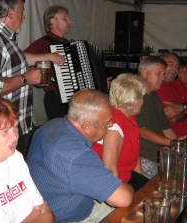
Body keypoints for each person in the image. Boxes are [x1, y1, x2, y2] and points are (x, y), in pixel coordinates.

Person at [0, 0, 64, 156]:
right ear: (9, 12)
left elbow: (17, 58)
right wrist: (26, 78)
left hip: (7, 126)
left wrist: (48, 57)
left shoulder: (2, 37)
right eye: (22, 11)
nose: (23, 17)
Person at [27, 89, 134, 223]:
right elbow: (124, 198)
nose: (111, 125)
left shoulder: (51, 125)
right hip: (71, 217)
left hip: (46, 204)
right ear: (87, 126)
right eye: (107, 122)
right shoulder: (77, 157)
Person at [0, 94, 55, 223]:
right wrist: (46, 219)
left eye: (15, 127)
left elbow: (39, 205)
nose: (15, 137)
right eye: (5, 131)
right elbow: (43, 213)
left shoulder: (14, 156)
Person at [92, 73, 149, 192]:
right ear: (134, 103)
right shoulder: (114, 126)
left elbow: (135, 154)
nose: (143, 101)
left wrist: (142, 182)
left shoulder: (130, 116)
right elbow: (110, 169)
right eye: (142, 97)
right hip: (115, 182)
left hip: (127, 176)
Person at [24, 5, 71, 119]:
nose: (69, 21)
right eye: (64, 18)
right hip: (56, 99)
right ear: (53, 21)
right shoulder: (42, 43)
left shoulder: (69, 44)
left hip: (73, 98)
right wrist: (49, 56)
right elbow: (22, 58)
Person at [137, 56, 180, 162]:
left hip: (155, 157)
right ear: (144, 73)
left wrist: (180, 146)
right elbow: (141, 132)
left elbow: (166, 129)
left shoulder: (154, 96)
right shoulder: (135, 95)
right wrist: (173, 143)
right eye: (158, 73)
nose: (162, 78)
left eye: (163, 74)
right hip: (141, 158)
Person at [156, 52, 187, 137]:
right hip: (169, 143)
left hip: (186, 138)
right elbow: (175, 118)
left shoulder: (178, 84)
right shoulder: (158, 86)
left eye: (177, 66)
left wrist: (181, 107)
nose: (174, 68)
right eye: (171, 64)